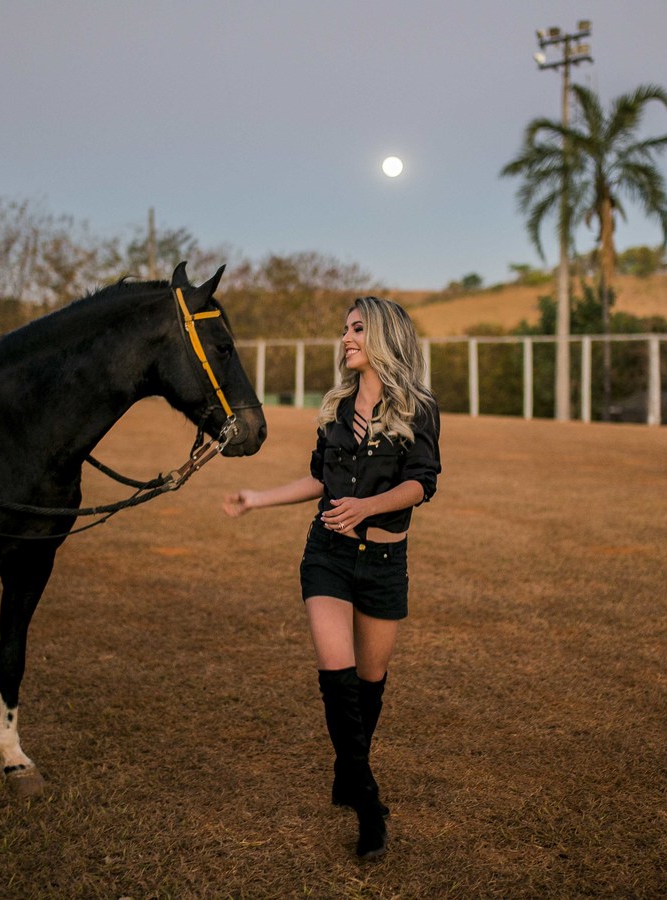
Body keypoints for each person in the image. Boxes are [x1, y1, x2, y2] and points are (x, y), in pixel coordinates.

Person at [223, 296, 440, 860]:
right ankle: (368, 802)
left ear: (385, 338)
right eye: (345, 329)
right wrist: (257, 498)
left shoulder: (418, 407)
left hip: (386, 564)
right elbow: (321, 480)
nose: (347, 338)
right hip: (328, 557)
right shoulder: (336, 408)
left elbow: (422, 483)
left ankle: (349, 768)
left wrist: (366, 508)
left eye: (358, 329)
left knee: (370, 685)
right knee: (337, 677)